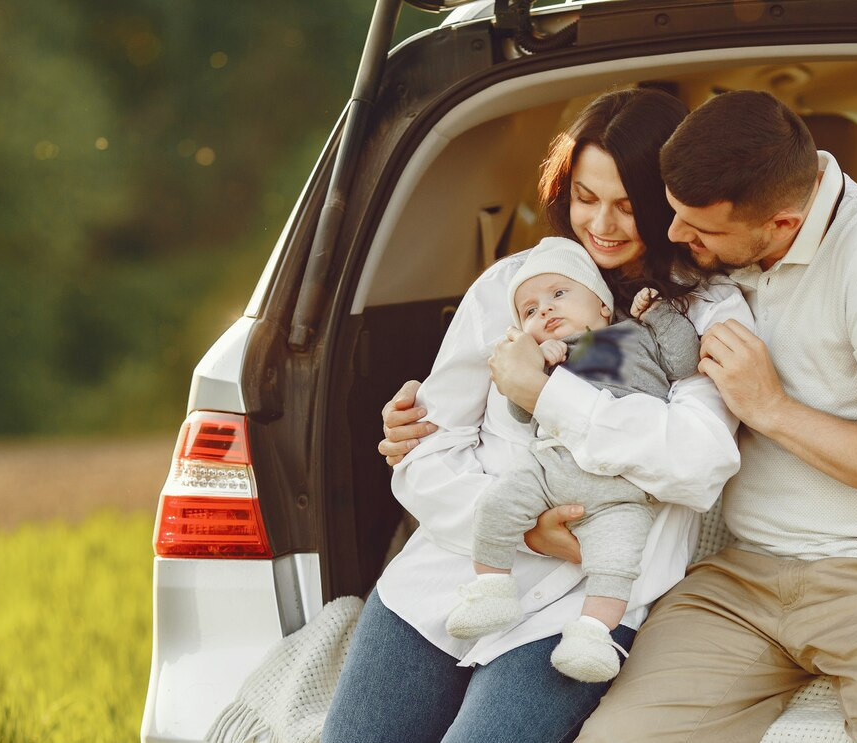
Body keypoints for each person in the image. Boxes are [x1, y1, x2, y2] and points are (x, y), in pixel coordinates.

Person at [322, 87, 753, 743]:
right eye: (584, 197)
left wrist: (546, 393)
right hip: (454, 567)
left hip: (587, 601)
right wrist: (520, 527)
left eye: (627, 205)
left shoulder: (703, 313)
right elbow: (425, 456)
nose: (602, 224)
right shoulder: (511, 284)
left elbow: (695, 464)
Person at [569, 89, 857, 743]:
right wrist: (456, 412)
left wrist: (771, 408)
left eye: (697, 229)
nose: (673, 236)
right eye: (672, 214)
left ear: (782, 225)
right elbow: (595, 330)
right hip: (740, 578)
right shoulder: (702, 245)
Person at [445, 237, 701, 686]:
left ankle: (591, 635)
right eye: (529, 310)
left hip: (622, 489)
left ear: (602, 305)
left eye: (559, 294)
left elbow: (685, 362)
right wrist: (530, 371)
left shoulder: (633, 337)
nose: (544, 310)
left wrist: (658, 315)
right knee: (494, 506)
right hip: (550, 469)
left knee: (617, 563)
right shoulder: (549, 358)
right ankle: (492, 587)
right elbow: (522, 414)